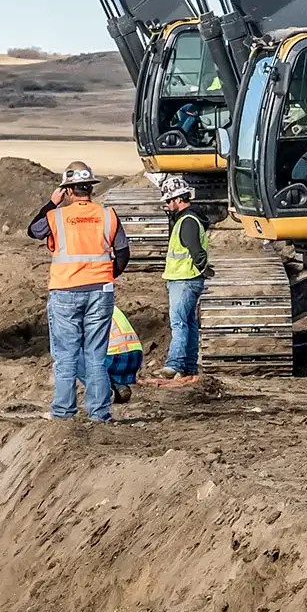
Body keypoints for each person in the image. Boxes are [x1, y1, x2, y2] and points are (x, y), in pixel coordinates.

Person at [27, 161, 129, 422]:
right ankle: (99, 413)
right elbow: (123, 253)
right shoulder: (108, 215)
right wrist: (107, 275)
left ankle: (63, 413)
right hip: (100, 292)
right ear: (91, 189)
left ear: (68, 191)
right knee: (95, 355)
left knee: (65, 355)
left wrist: (52, 203)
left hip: (65, 292)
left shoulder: (57, 216)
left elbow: (34, 230)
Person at [147, 175, 211, 381]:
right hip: (188, 278)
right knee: (189, 322)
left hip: (184, 279)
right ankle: (189, 366)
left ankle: (174, 365)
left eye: (168, 200)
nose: (167, 205)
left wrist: (201, 267)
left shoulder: (187, 222)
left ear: (178, 199)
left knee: (179, 323)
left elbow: (196, 251)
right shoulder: (191, 219)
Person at [106, 304, 144, 403]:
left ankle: (104, 391)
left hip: (118, 356)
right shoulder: (107, 302)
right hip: (136, 355)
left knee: (74, 357)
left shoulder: (85, 306)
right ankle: (119, 387)